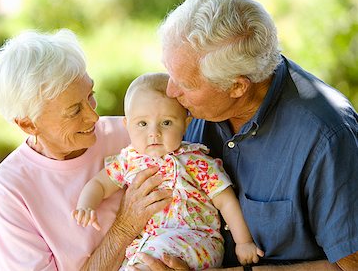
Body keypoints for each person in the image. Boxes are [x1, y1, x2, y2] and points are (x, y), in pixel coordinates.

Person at [153, 0, 358, 270]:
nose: (170, 90)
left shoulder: (325, 136)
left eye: (186, 84)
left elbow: (351, 265)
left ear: (237, 86)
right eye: (169, 72)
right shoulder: (185, 108)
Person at [0, 29, 175, 270]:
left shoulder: (136, 134)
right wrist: (125, 227)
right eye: (74, 111)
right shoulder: (8, 189)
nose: (94, 116)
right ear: (27, 123)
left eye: (90, 96)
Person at [72, 72, 263, 270]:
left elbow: (226, 200)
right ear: (127, 125)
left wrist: (243, 242)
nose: (154, 133)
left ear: (185, 124)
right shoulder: (128, 160)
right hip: (148, 244)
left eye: (166, 123)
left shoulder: (196, 161)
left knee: (151, 260)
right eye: (143, 124)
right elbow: (100, 184)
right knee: (137, 262)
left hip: (197, 240)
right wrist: (86, 205)